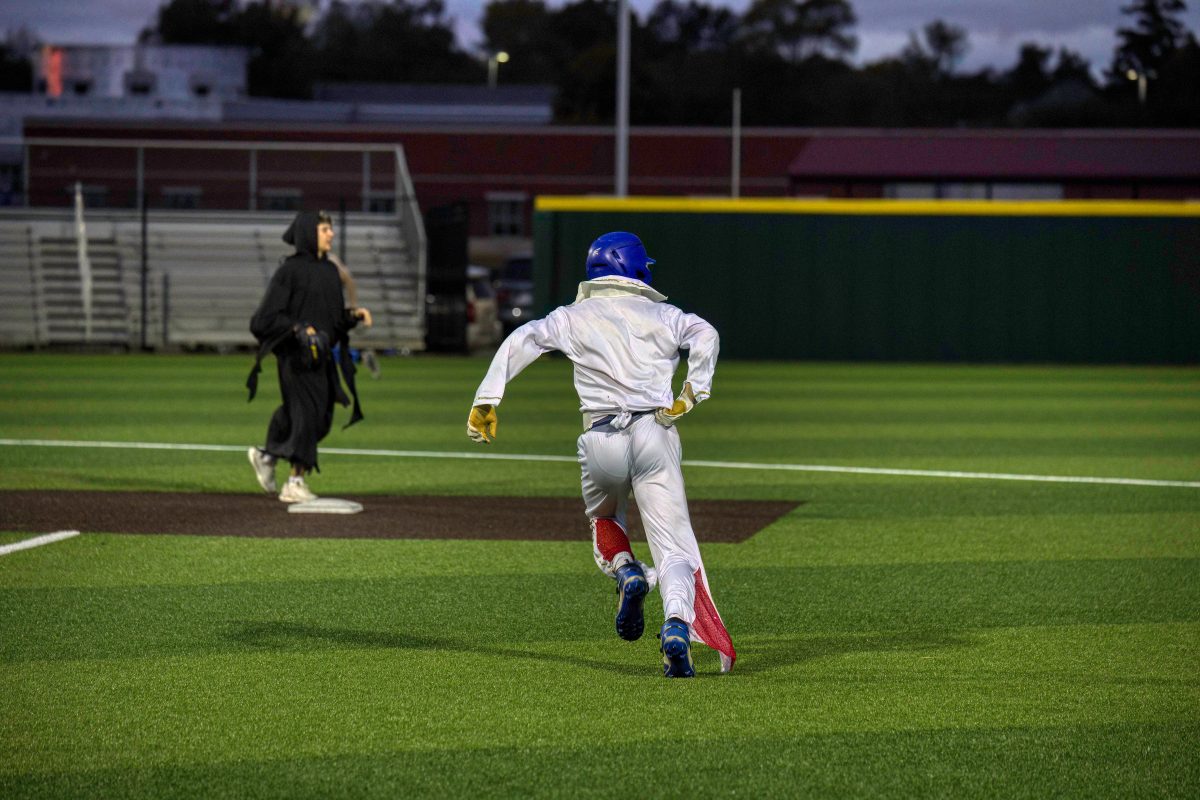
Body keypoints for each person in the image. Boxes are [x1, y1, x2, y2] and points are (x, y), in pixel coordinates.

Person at [465, 231, 735, 677]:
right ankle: (675, 624)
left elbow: (523, 339)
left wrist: (487, 400)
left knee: (605, 520)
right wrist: (692, 392)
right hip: (656, 431)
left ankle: (626, 569)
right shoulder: (665, 315)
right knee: (674, 550)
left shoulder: (572, 316)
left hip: (600, 437)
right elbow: (706, 332)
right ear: (635, 268)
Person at [245, 210, 372, 503]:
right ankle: (295, 481)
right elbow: (262, 320)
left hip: (322, 357)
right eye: (325, 229)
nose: (331, 234)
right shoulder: (289, 271)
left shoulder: (329, 271)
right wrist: (297, 328)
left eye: (330, 229)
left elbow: (332, 322)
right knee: (307, 414)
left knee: (320, 419)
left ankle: (267, 456)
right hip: (295, 358)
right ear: (308, 233)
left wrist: (353, 316)